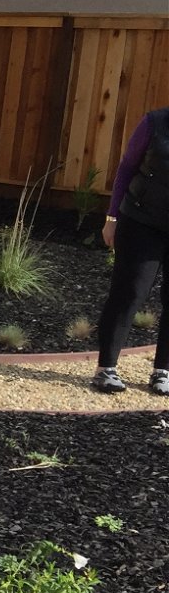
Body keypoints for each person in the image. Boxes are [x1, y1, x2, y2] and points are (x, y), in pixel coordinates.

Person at [92, 106, 169, 394]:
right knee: (130, 292)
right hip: (141, 222)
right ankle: (106, 368)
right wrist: (112, 218)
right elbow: (126, 168)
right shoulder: (155, 122)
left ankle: (163, 370)